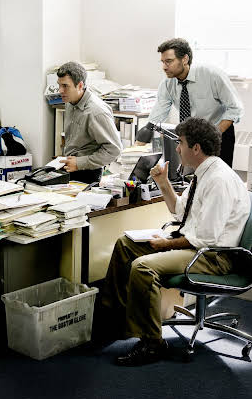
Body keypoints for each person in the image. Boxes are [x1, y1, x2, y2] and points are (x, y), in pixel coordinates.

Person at [100, 117, 250, 366]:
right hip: (196, 245)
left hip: (214, 256)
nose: (177, 148)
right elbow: (180, 212)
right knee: (125, 245)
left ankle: (152, 344)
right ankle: (116, 320)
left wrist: (166, 244)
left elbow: (206, 238)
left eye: (180, 143)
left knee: (143, 267)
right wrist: (163, 182)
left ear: (196, 148)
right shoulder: (203, 173)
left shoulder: (219, 180)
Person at [136, 38, 243, 167]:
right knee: (192, 176)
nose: (164, 67)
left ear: (185, 59)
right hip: (191, 137)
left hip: (218, 132)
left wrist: (213, 134)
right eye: (163, 62)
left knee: (217, 175)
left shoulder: (211, 74)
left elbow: (235, 108)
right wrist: (141, 141)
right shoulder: (167, 83)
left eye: (169, 61)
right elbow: (158, 115)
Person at [56, 61, 122, 184]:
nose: (60, 90)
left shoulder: (96, 111)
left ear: (80, 85)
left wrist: (79, 163)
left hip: (88, 172)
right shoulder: (70, 102)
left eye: (65, 86)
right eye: (59, 85)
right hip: (70, 167)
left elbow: (114, 150)